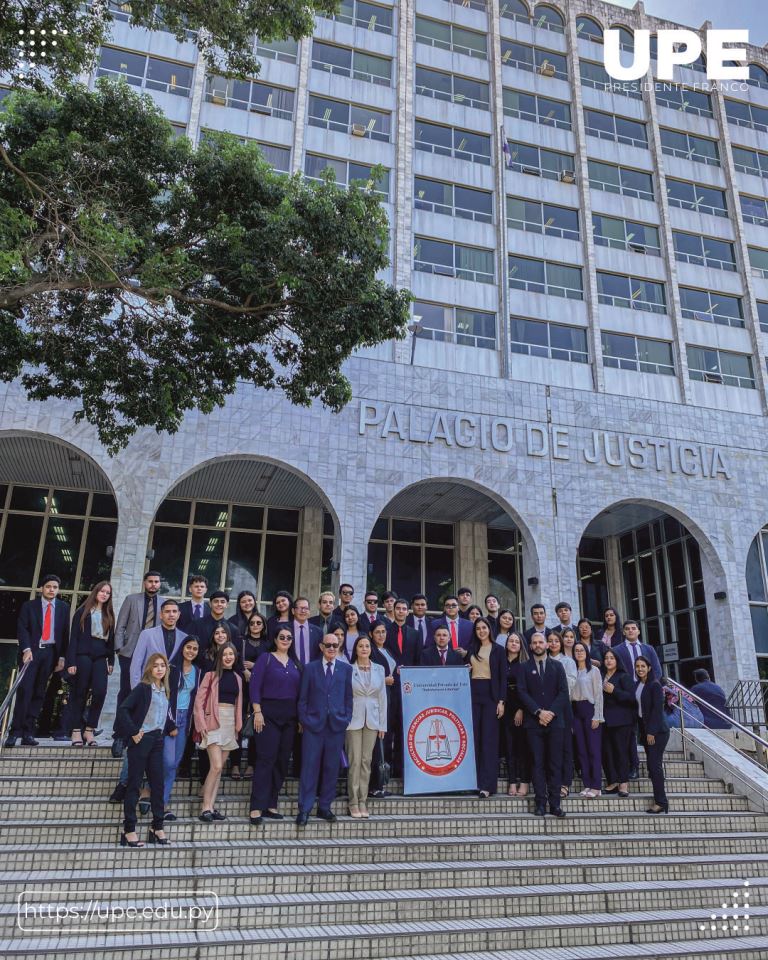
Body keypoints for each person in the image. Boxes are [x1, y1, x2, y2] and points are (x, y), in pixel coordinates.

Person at [115, 652, 172, 847]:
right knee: (134, 784)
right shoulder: (143, 688)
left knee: (158, 785)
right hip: (141, 740)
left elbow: (161, 715)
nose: (159, 668)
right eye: (155, 665)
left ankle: (157, 827)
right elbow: (123, 709)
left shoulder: (164, 690)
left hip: (157, 741)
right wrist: (133, 731)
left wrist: (170, 727)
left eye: (162, 665)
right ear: (149, 668)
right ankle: (129, 830)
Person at [296, 634, 353, 826]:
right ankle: (304, 809)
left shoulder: (346, 669)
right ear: (321, 646)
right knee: (309, 768)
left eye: (335, 645)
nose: (331, 648)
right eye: (328, 645)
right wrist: (305, 719)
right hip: (314, 726)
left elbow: (348, 698)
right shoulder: (310, 668)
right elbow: (302, 698)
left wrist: (345, 719)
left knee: (331, 768)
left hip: (336, 727)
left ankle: (325, 807)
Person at [7, 573, 70, 747]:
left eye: (55, 587)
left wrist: (62, 658)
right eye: (49, 586)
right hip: (32, 653)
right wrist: (26, 649)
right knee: (25, 691)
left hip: (50, 654)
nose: (52, 590)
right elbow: (22, 628)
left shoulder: (63, 608)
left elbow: (65, 634)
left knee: (39, 693)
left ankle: (28, 732)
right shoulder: (29, 606)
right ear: (42, 588)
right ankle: (15, 732)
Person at [248, 626, 301, 826]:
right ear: (275, 638)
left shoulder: (296, 663)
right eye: (282, 636)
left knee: (281, 761)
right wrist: (257, 711)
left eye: (289, 637)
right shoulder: (266, 658)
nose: (285, 639)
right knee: (265, 759)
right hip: (267, 715)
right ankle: (256, 806)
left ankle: (271, 803)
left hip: (290, 718)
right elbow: (254, 686)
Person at [517, 632, 569, 817]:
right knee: (537, 763)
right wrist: (538, 712)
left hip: (555, 723)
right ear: (530, 646)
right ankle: (540, 803)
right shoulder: (523, 668)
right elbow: (522, 693)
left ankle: (555, 804)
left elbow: (564, 692)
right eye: (534, 642)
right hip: (533, 723)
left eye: (541, 642)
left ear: (547, 644)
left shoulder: (558, 666)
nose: (538, 645)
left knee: (554, 764)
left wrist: (551, 713)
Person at [194, 641, 244, 822]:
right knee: (215, 766)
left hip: (230, 723)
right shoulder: (210, 675)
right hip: (213, 721)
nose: (228, 657)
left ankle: (211, 806)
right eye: (225, 654)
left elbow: (239, 704)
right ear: (219, 657)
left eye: (231, 654)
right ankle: (205, 807)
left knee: (219, 769)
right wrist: (201, 724)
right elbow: (198, 702)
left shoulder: (238, 678)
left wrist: (238, 727)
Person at [64, 581, 115, 746]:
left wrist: (111, 661)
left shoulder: (109, 615)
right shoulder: (82, 612)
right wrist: (70, 662)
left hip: (100, 656)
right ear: (96, 592)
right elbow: (74, 639)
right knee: (80, 693)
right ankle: (76, 731)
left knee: (100, 692)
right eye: (102, 591)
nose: (104, 594)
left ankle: (89, 730)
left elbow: (111, 642)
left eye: (107, 593)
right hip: (83, 655)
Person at [113, 571, 165, 725]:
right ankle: (120, 729)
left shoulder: (164, 603)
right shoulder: (131, 599)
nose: (153, 584)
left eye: (156, 581)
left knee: (147, 692)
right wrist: (119, 649)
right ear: (145, 582)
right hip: (129, 653)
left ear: (160, 584)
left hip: (152, 657)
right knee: (126, 690)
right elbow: (121, 625)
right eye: (150, 581)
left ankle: (140, 726)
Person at [614, 620, 662, 780]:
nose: (630, 631)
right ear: (623, 632)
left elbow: (657, 670)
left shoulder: (648, 649)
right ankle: (633, 766)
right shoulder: (617, 650)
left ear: (638, 631)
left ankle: (653, 767)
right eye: (627, 629)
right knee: (631, 733)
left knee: (648, 732)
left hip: (646, 694)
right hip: (627, 696)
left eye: (633, 628)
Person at [347, 635, 387, 817]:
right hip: (353, 720)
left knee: (366, 761)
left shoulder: (379, 669)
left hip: (373, 720)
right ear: (355, 649)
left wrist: (383, 725)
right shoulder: (348, 669)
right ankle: (353, 801)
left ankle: (363, 801)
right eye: (361, 646)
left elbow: (382, 698)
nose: (364, 648)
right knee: (355, 761)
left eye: (367, 646)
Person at [163, 637, 201, 819]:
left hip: (185, 719)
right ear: (182, 648)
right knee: (167, 762)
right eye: (188, 647)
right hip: (168, 719)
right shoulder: (171, 668)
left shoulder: (198, 671)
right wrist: (170, 723)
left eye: (195, 649)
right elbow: (166, 696)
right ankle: (153, 794)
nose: (191, 651)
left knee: (174, 764)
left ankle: (162, 803)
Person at [467, 617, 505, 798]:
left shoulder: (498, 650)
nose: (481, 631)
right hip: (473, 694)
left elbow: (503, 678)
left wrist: (501, 701)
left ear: (489, 629)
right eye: (478, 628)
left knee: (489, 741)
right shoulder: (472, 649)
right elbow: (466, 671)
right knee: (475, 739)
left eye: (484, 627)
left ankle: (487, 785)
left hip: (491, 696)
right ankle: (474, 782)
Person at [635, 655, 670, 814]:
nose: (640, 669)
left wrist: (651, 732)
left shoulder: (654, 685)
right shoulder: (638, 685)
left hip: (657, 732)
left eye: (643, 666)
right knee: (652, 766)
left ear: (649, 668)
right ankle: (660, 799)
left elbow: (657, 710)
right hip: (646, 731)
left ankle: (661, 802)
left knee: (654, 766)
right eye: (637, 666)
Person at [600, 648, 636, 798]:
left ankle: (623, 784)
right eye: (606, 658)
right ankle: (612, 781)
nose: (608, 660)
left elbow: (631, 698)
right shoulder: (601, 676)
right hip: (604, 721)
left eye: (612, 658)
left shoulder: (624, 676)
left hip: (622, 721)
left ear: (617, 661)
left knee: (621, 752)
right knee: (607, 752)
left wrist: (614, 691)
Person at [571, 640, 604, 798]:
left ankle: (596, 786)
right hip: (575, 710)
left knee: (593, 750)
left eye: (581, 650)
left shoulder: (594, 671)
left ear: (586, 652)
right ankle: (587, 784)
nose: (579, 653)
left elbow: (599, 694)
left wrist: (597, 716)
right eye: (576, 650)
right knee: (582, 751)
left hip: (590, 710)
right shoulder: (573, 670)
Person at [130, 600, 187, 687]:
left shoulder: (184, 637)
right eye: (167, 611)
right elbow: (136, 664)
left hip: (173, 687)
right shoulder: (147, 634)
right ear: (161, 615)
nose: (171, 614)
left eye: (174, 611)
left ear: (178, 615)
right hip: (149, 684)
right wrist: (136, 688)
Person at [368, 621, 396, 796]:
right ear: (371, 634)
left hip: (389, 699)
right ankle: (374, 786)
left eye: (383, 632)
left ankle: (380, 785)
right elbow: (366, 676)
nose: (381, 635)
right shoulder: (371, 652)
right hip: (376, 701)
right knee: (376, 744)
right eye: (377, 632)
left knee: (384, 743)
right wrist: (383, 680)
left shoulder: (387, 650)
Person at [503, 632, 530, 797]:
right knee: (509, 747)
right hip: (504, 709)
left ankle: (524, 782)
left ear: (521, 645)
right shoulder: (501, 661)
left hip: (521, 710)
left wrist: (521, 709)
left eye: (517, 641)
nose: (513, 643)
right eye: (511, 641)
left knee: (523, 748)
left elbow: (527, 689)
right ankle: (512, 781)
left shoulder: (525, 664)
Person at [187, 590, 230, 656]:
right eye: (216, 601)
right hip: (199, 665)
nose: (219, 604)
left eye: (222, 602)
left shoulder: (232, 628)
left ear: (227, 605)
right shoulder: (196, 625)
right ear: (210, 604)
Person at [291, 597, 323, 668]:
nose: (303, 611)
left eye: (306, 608)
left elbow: (320, 654)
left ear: (309, 611)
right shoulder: (285, 629)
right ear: (293, 611)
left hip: (311, 672)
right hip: (290, 672)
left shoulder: (318, 631)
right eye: (300, 608)